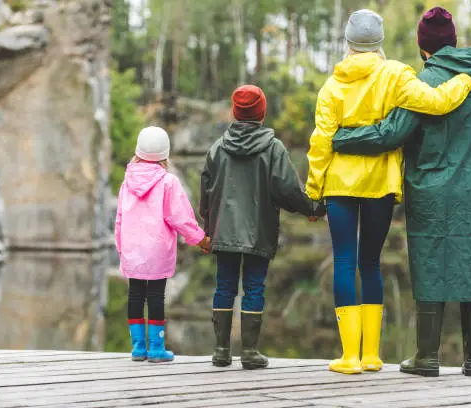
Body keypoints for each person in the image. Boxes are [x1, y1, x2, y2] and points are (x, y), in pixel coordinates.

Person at [305, 9, 471, 375]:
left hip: (339, 183)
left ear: (348, 42)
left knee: (343, 261)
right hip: (380, 185)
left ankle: (349, 357)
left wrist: (314, 189)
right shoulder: (397, 75)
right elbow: (437, 102)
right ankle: (372, 355)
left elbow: (321, 142)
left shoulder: (332, 86)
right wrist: (465, 80)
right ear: (379, 41)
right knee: (370, 262)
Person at [200, 85, 325, 370]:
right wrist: (313, 209)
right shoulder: (273, 148)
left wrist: (208, 227)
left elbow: (206, 191)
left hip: (223, 231)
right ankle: (250, 352)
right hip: (259, 230)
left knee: (224, 286)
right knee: (254, 287)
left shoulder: (217, 148)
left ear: (235, 112)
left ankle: (221, 351)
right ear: (262, 112)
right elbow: (288, 191)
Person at [115, 126, 211, 363]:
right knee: (156, 296)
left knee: (135, 295)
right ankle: (156, 348)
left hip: (132, 248)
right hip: (157, 249)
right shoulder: (168, 182)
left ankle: (138, 348)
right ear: (165, 154)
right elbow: (180, 217)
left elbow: (119, 218)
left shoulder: (127, 181)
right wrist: (199, 238)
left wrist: (121, 247)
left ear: (138, 151)